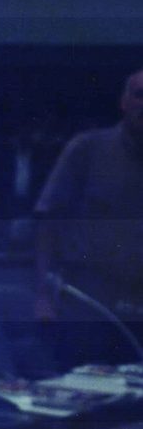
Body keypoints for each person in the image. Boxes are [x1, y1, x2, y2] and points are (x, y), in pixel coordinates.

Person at [34, 67, 143, 365]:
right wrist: (44, 295)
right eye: (139, 95)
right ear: (124, 102)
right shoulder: (88, 149)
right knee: (84, 398)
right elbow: (49, 221)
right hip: (88, 308)